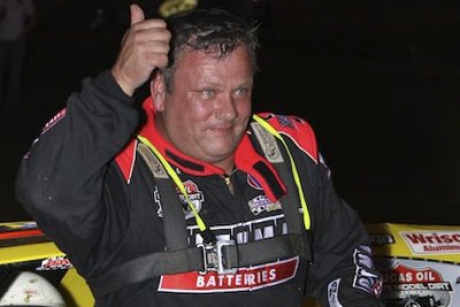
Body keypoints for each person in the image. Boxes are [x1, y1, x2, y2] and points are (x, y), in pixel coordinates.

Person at [15, 4, 384, 307]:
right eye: (207, 92)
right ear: (160, 92)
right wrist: (118, 84)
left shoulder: (287, 153)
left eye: (240, 91)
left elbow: (344, 254)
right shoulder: (120, 170)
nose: (228, 112)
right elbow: (45, 189)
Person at [0, 0, 35, 112]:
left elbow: (33, 17)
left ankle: (12, 104)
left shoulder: (25, 1)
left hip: (18, 42)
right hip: (3, 40)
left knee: (16, 74)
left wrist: (25, 32)